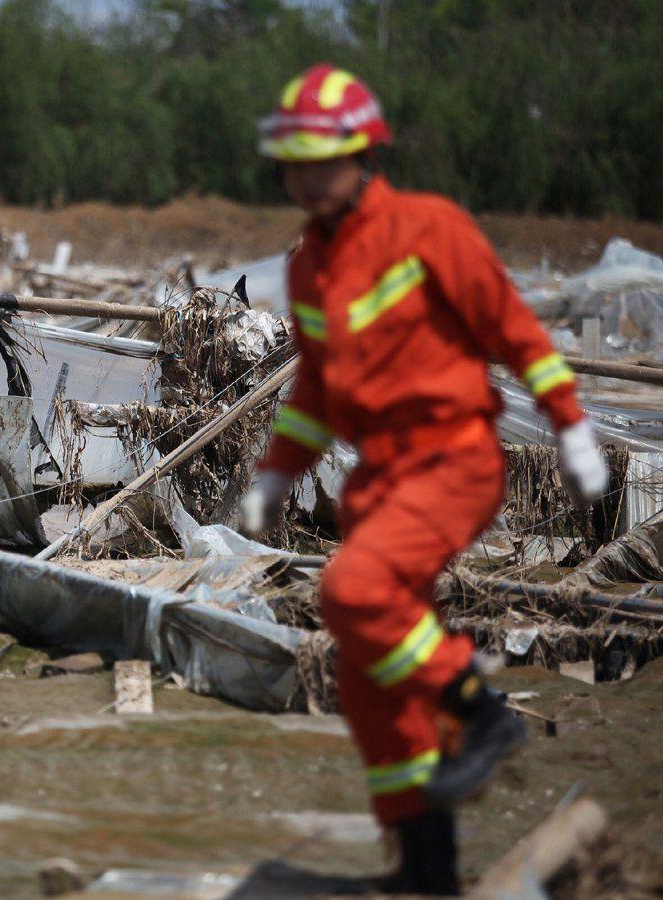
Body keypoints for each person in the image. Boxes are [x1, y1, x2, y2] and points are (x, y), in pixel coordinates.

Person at [241, 63, 609, 895]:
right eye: (293, 161)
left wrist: (572, 422)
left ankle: (484, 714)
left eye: (320, 159)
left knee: (353, 592)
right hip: (380, 482)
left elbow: (514, 331)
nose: (305, 177)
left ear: (364, 153)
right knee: (378, 696)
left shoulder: (428, 228)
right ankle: (428, 871)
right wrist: (276, 474)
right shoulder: (306, 270)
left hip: (454, 460)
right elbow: (317, 394)